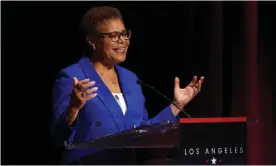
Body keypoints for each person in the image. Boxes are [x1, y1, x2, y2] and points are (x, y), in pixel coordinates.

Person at [50, 6, 204, 165]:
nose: (122, 40)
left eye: (124, 34)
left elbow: (143, 131)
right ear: (93, 41)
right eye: (113, 36)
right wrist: (73, 108)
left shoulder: (131, 79)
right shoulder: (72, 76)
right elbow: (57, 136)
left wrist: (177, 105)